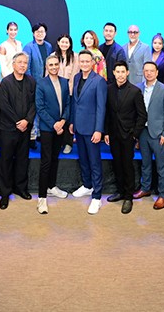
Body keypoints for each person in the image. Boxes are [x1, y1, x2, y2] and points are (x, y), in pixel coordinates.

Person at [104, 61, 147, 214]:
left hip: (128, 135)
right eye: (118, 72)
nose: (120, 75)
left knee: (127, 165)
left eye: (123, 72)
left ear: (127, 73)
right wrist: (106, 132)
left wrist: (135, 134)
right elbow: (107, 113)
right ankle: (120, 191)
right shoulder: (108, 89)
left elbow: (142, 116)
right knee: (116, 164)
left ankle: (128, 197)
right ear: (113, 73)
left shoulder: (135, 91)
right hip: (113, 134)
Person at [68, 50, 107, 215]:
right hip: (78, 127)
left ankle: (97, 196)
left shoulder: (99, 81)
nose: (84, 64)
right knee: (83, 159)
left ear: (92, 63)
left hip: (92, 129)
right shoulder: (77, 77)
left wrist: (98, 130)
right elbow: (74, 102)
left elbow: (101, 107)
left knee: (94, 162)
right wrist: (72, 122)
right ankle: (87, 185)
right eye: (81, 61)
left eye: (87, 61)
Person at [0, 52, 37, 209]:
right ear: (13, 64)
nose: (22, 65)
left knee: (22, 159)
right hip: (8, 128)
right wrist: (17, 122)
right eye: (19, 62)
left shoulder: (31, 81)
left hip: (25, 129)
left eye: (25, 63)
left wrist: (27, 120)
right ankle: (4, 193)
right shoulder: (5, 82)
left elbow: (34, 103)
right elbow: (3, 105)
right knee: (6, 160)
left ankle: (21, 188)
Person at [134, 61, 164, 210]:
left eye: (152, 70)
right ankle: (145, 188)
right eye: (146, 70)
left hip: (158, 133)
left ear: (157, 72)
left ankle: (163, 195)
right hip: (142, 132)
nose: (149, 73)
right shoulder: (138, 88)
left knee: (161, 165)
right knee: (145, 163)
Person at [34, 53, 70, 214]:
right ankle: (42, 198)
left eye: (56, 64)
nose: (54, 67)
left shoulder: (64, 82)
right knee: (46, 161)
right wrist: (54, 124)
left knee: (55, 158)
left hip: (60, 127)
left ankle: (51, 186)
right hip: (48, 129)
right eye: (51, 65)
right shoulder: (41, 83)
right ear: (46, 67)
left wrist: (63, 121)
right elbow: (40, 107)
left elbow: (68, 104)